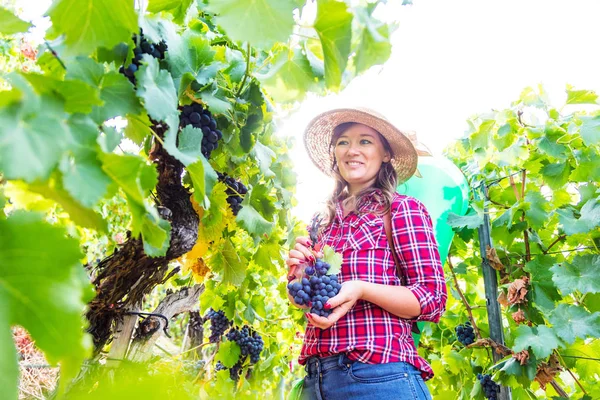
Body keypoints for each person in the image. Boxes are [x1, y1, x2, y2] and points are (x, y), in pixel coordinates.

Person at [286, 108, 447, 400]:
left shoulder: (401, 210)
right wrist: (299, 278)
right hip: (315, 379)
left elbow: (432, 298)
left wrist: (361, 289)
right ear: (334, 152)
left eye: (365, 141)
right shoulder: (321, 223)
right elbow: (310, 302)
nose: (352, 150)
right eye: (343, 142)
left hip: (378, 376)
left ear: (385, 153)